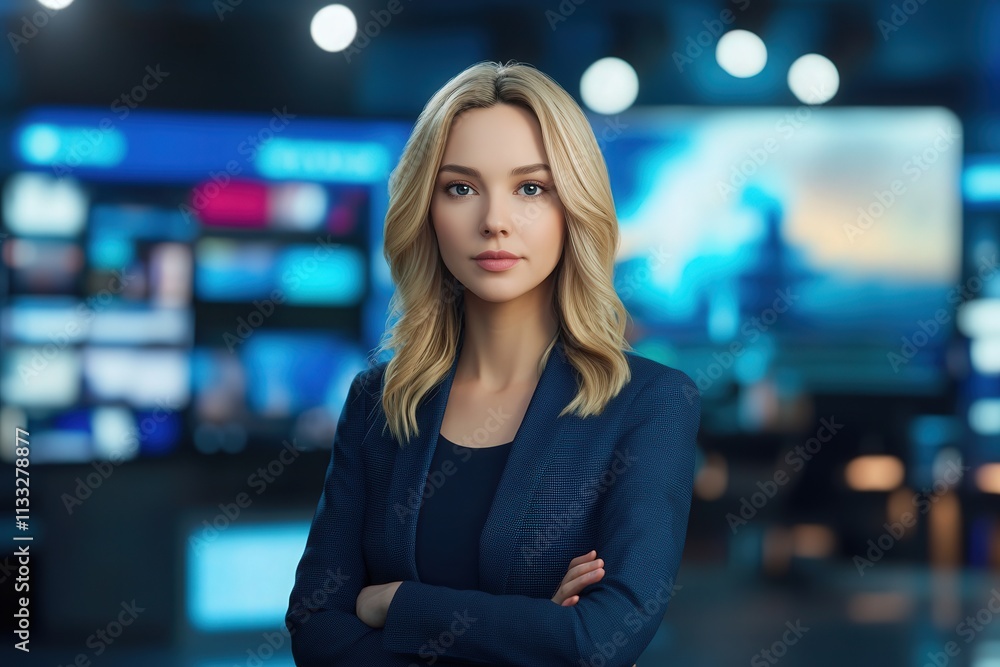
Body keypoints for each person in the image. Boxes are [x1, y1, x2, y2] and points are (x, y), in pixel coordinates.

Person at [285, 60, 701, 667]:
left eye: (531, 188)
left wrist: (397, 604)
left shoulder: (649, 405)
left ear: (572, 207)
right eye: (461, 188)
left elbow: (597, 642)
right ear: (426, 211)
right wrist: (526, 634)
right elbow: (317, 632)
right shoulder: (378, 402)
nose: (494, 221)